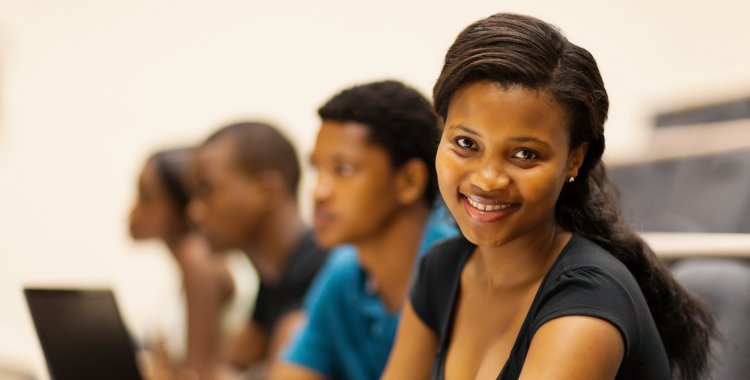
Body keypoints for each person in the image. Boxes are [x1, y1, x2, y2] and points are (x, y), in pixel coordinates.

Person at [382, 13, 715, 380]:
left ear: (575, 159)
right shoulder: (442, 270)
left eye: (525, 154)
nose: (488, 179)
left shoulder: (588, 302)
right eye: (466, 143)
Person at [268, 80, 458, 380]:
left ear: (408, 181)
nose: (319, 192)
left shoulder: (461, 266)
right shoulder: (344, 271)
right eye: (318, 170)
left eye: (344, 170)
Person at [188, 122, 329, 376]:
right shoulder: (274, 277)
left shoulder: (321, 272)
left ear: (266, 192)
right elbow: (224, 365)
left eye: (207, 190)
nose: (195, 212)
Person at [129, 147, 255, 380]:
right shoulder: (190, 262)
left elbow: (201, 373)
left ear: (180, 205)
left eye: (146, 198)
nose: (132, 211)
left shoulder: (198, 260)